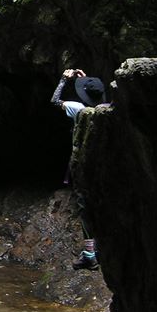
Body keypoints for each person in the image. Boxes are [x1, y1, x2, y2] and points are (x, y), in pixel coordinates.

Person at [50, 68, 107, 271]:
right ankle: (104, 251)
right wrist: (87, 83)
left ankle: (90, 255)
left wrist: (64, 80)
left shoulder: (78, 109)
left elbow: (55, 101)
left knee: (85, 210)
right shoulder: (109, 108)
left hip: (84, 166)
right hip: (106, 167)